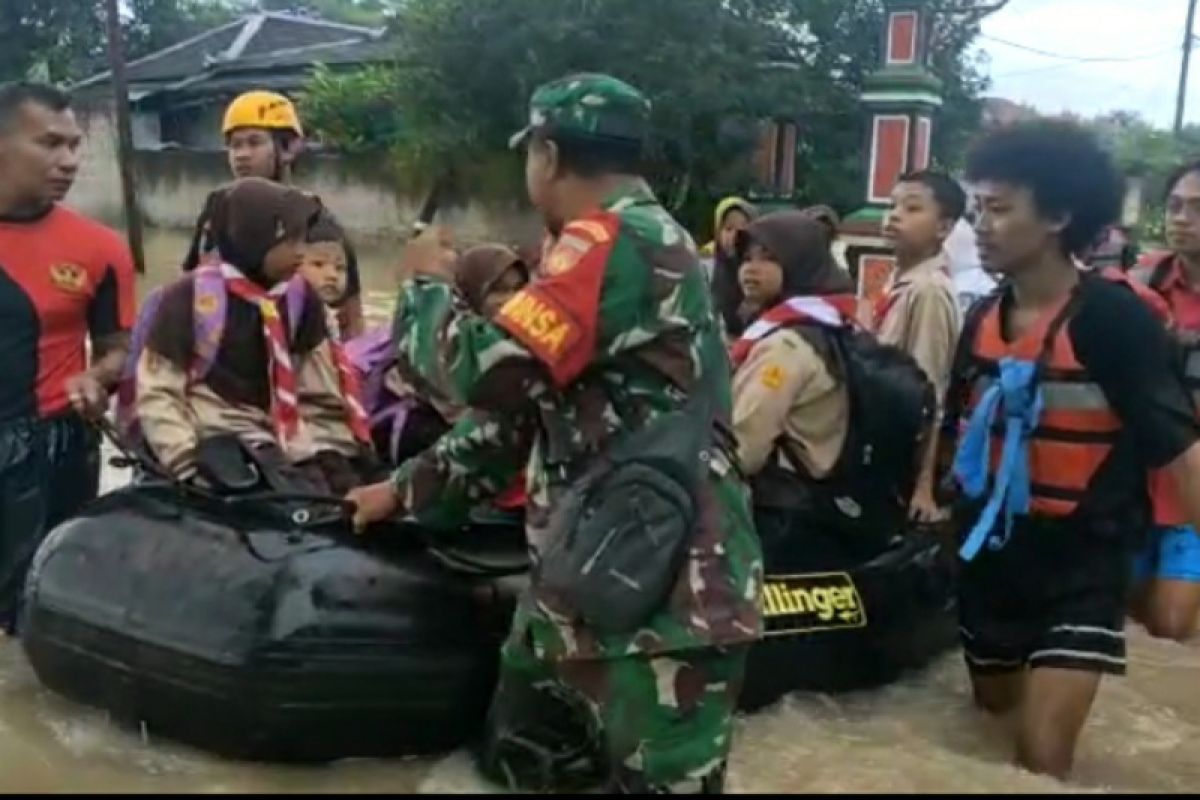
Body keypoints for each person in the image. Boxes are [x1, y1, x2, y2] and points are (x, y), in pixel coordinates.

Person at [348, 73, 762, 794]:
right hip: (583, 581)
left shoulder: (614, 241)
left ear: (545, 154)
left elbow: (483, 377)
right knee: (521, 768)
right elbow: (518, 416)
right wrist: (402, 491)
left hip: (669, 602)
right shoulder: (613, 246)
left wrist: (423, 289)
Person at [942, 121, 1200, 780]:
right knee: (990, 733)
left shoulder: (1115, 321)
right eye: (978, 211)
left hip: (1084, 563)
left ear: (1059, 214)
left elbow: (1178, 443)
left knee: (1039, 762)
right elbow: (953, 428)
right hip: (991, 557)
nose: (982, 227)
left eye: (1000, 210)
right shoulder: (979, 318)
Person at [135, 178, 372, 496]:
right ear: (255, 237)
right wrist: (185, 462)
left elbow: (319, 390)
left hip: (286, 436)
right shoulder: (188, 297)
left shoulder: (301, 298)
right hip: (216, 435)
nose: (302, 252)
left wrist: (334, 452)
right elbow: (158, 391)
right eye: (292, 240)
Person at [0, 82, 135, 634]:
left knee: (39, 606)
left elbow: (120, 350)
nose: (69, 161)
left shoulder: (100, 248)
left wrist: (97, 376)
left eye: (75, 145)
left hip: (59, 447)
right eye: (50, 144)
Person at [727, 210, 869, 567]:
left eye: (769, 258)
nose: (751, 269)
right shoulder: (833, 322)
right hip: (825, 506)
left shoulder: (787, 345)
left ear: (799, 262)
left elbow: (742, 447)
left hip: (781, 513)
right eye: (747, 258)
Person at [182, 91, 365, 339]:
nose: (242, 154)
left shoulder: (318, 223)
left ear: (289, 148)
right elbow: (187, 295)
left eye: (254, 142)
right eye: (235, 145)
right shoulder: (216, 215)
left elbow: (351, 320)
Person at [1125, 160, 1200, 642]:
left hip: (1194, 485)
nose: (1181, 218)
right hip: (1135, 481)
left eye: (1197, 209)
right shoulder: (1140, 286)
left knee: (1172, 628)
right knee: (1127, 622)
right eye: (1174, 206)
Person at [878, 170, 965, 523]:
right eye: (893, 206)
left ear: (944, 228)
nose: (895, 215)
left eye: (913, 208)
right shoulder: (897, 282)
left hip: (901, 467)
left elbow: (932, 393)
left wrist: (923, 485)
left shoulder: (928, 292)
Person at [706, 196, 756, 338]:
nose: (734, 236)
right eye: (728, 229)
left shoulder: (758, 271)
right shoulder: (707, 268)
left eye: (742, 229)